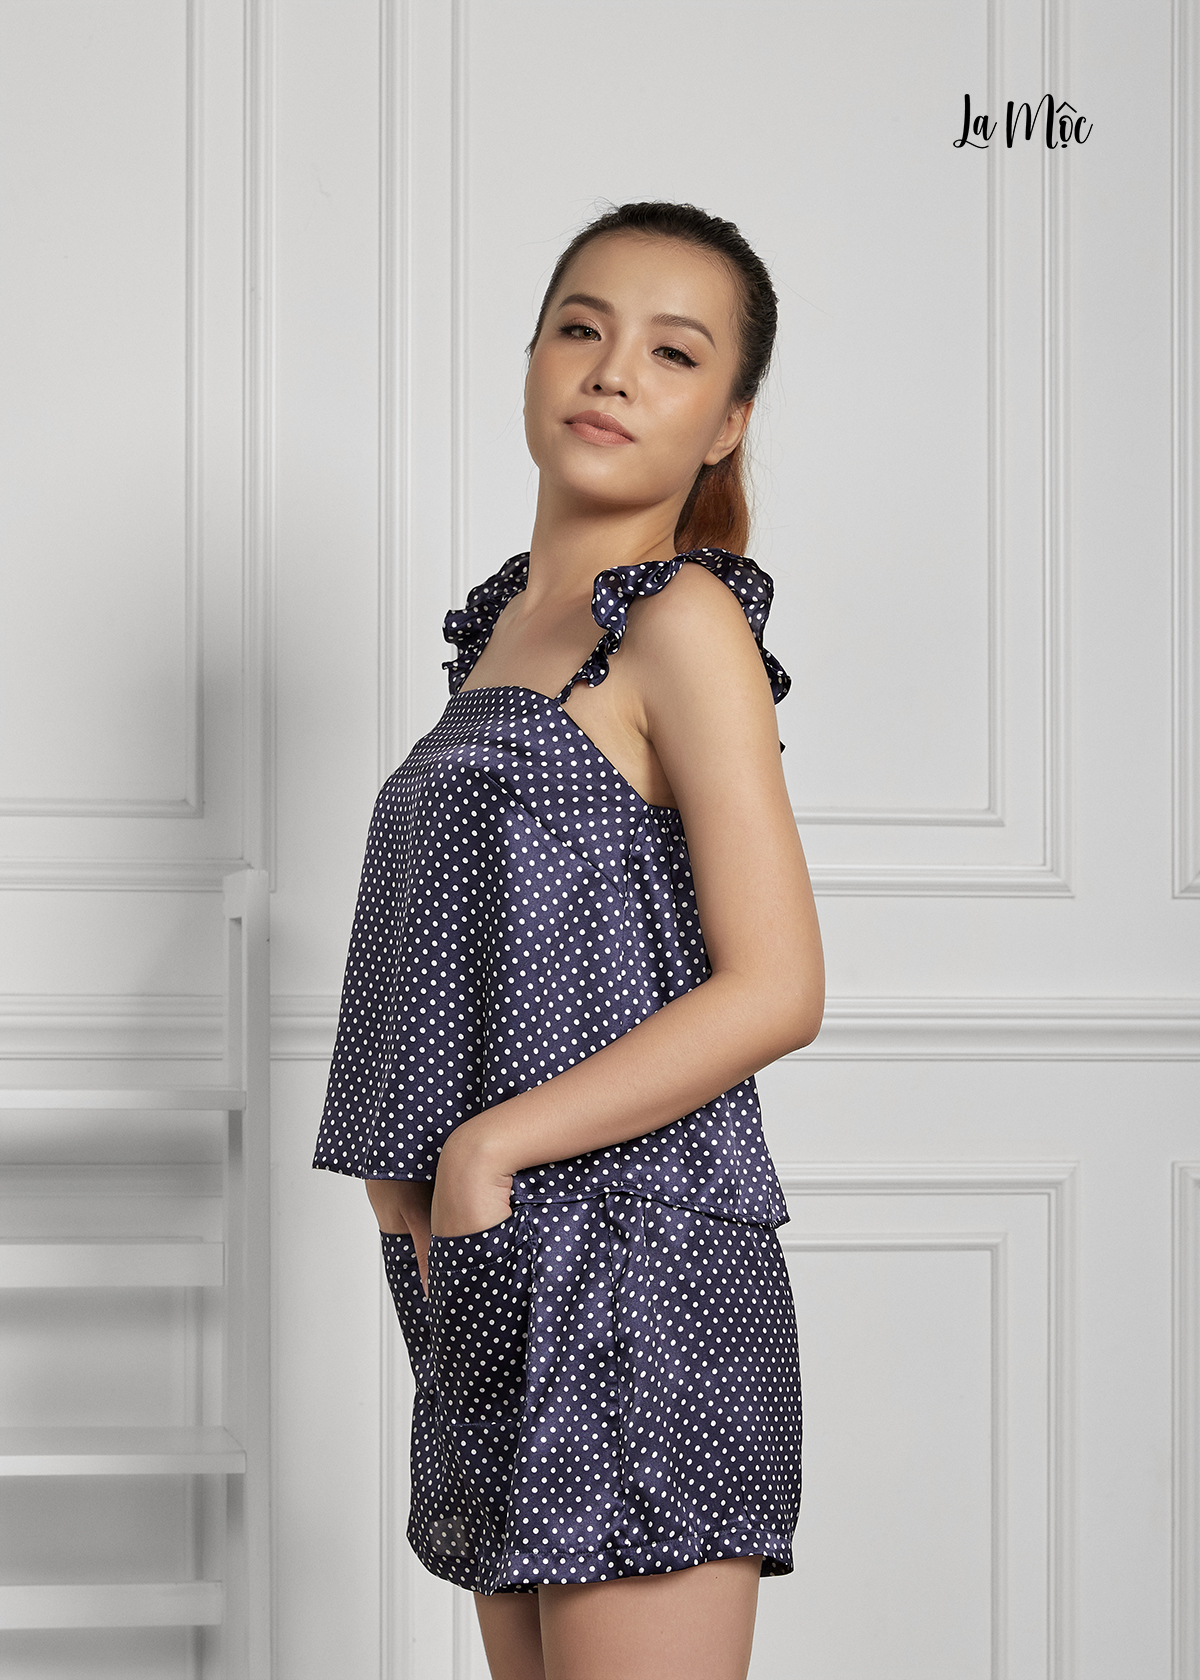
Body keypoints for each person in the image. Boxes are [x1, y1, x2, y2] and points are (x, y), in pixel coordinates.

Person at [313, 200, 825, 1680]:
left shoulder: (680, 623)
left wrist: (485, 1152)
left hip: (634, 1272)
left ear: (728, 422)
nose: (611, 372)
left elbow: (779, 985)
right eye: (582, 329)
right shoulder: (508, 633)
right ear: (532, 356)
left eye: (673, 353)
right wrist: (419, 1206)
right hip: (493, 1269)